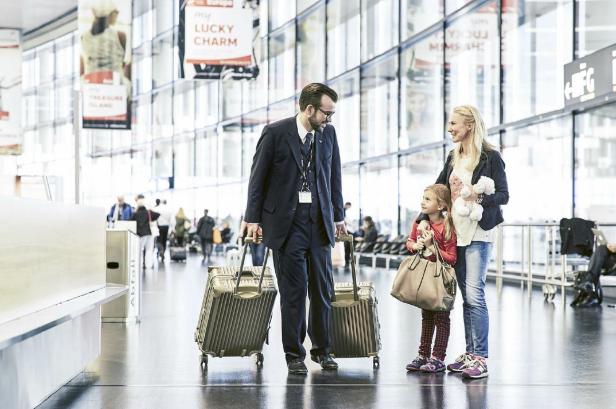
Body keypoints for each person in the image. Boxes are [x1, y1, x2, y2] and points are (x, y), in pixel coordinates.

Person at [243, 83, 346, 375]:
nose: (329, 119)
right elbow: (257, 178)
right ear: (309, 109)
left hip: (320, 223)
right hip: (286, 226)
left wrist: (338, 216)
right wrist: (252, 217)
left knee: (322, 290)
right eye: (327, 113)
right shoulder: (275, 133)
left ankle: (322, 350)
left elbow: (334, 176)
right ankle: (294, 354)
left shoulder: (328, 135)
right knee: (294, 293)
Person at [421, 105, 508, 379]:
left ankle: (480, 357)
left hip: (479, 233)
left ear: (469, 125)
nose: (450, 128)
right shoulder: (452, 157)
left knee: (475, 294)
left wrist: (476, 198)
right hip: (455, 234)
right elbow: (438, 188)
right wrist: (422, 218)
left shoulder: (491, 157)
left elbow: (504, 195)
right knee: (465, 297)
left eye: (453, 123)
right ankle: (471, 353)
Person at [404, 184, 457, 373]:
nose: (422, 202)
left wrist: (432, 246)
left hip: (441, 279)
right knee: (426, 316)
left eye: (428, 199)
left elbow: (452, 258)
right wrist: (416, 245)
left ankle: (438, 358)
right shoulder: (419, 223)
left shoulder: (447, 225)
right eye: (423, 197)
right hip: (425, 277)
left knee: (441, 317)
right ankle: (423, 354)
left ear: (441, 205)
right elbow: (408, 242)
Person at [131, 194, 160, 271]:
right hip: (149, 233)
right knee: (149, 250)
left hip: (140, 234)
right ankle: (148, 265)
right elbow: (157, 215)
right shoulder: (148, 212)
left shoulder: (135, 214)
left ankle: (139, 265)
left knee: (139, 250)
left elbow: (130, 221)